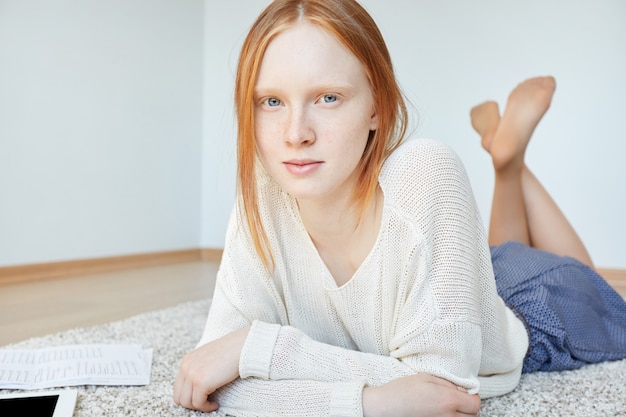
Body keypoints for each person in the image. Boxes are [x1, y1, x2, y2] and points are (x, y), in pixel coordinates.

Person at [174, 1, 626, 415]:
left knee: (600, 289)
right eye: (271, 102)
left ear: (377, 105)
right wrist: (371, 401)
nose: (296, 134)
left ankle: (511, 164)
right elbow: (211, 378)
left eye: (327, 98)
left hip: (534, 302)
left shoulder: (426, 171)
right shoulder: (264, 194)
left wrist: (263, 351)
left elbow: (446, 393)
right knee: (495, 251)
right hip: (449, 282)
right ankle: (507, 160)